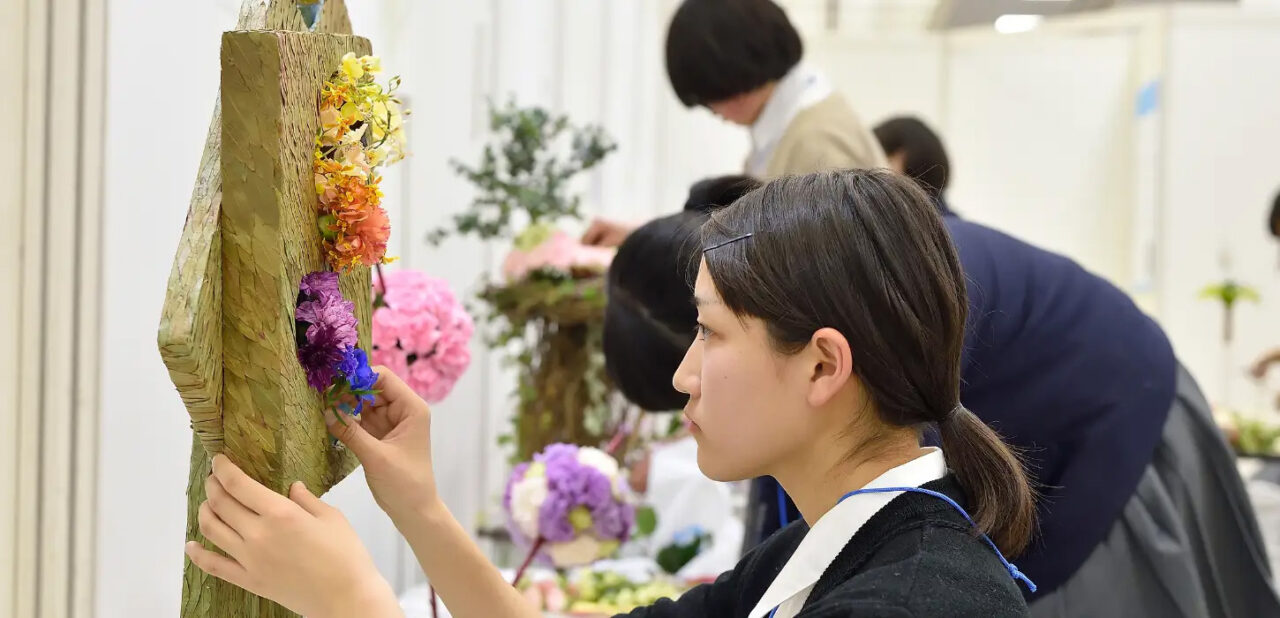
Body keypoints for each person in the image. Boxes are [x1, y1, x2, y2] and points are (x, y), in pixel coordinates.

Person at [185, 169, 1036, 617]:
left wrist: (355, 604)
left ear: (822, 365)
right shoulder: (832, 551)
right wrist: (420, 510)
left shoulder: (915, 600)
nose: (681, 375)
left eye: (707, 333)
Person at [872, 115, 1280, 616]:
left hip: (1125, 420)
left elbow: (894, 467)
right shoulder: (921, 255)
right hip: (1091, 417)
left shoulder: (921, 270)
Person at [581, 0, 885, 247]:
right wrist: (644, 236)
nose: (714, 113)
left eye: (708, 100)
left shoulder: (815, 140)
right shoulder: (795, 119)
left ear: (730, 78)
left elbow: (817, 264)